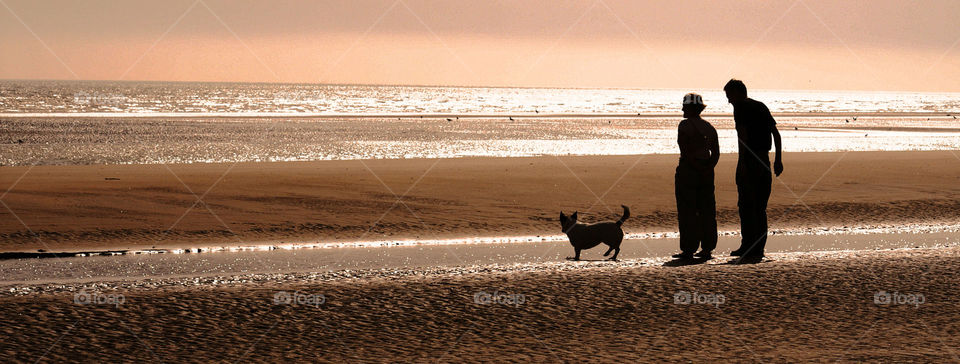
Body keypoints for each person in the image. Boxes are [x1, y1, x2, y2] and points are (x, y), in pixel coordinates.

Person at [724, 79, 783, 259]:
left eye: (729, 96)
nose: (729, 101)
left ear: (738, 93)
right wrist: (778, 159)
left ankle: (749, 246)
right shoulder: (761, 106)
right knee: (759, 207)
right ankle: (757, 248)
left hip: (750, 160)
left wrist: (741, 163)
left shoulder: (740, 108)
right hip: (764, 159)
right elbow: (776, 134)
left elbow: (742, 136)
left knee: (747, 205)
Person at [672, 93, 719, 259]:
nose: (682, 109)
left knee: (687, 210)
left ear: (690, 108)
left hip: (688, 171)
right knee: (707, 210)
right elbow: (716, 153)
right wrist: (707, 168)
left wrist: (696, 166)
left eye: (684, 106)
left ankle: (688, 249)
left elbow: (684, 150)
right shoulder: (709, 127)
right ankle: (707, 248)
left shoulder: (684, 125)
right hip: (707, 172)